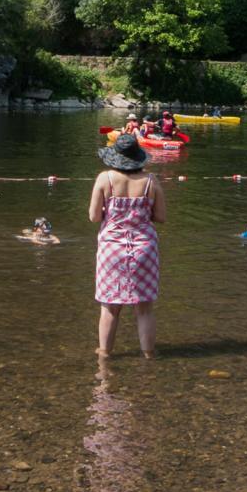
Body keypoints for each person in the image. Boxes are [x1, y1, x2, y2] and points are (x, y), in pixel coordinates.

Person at [89, 131, 165, 360]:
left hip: (112, 249)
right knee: (144, 309)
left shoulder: (105, 179)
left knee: (110, 307)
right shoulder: (151, 181)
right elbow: (161, 217)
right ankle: (149, 354)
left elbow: (94, 217)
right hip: (144, 248)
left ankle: (104, 355)